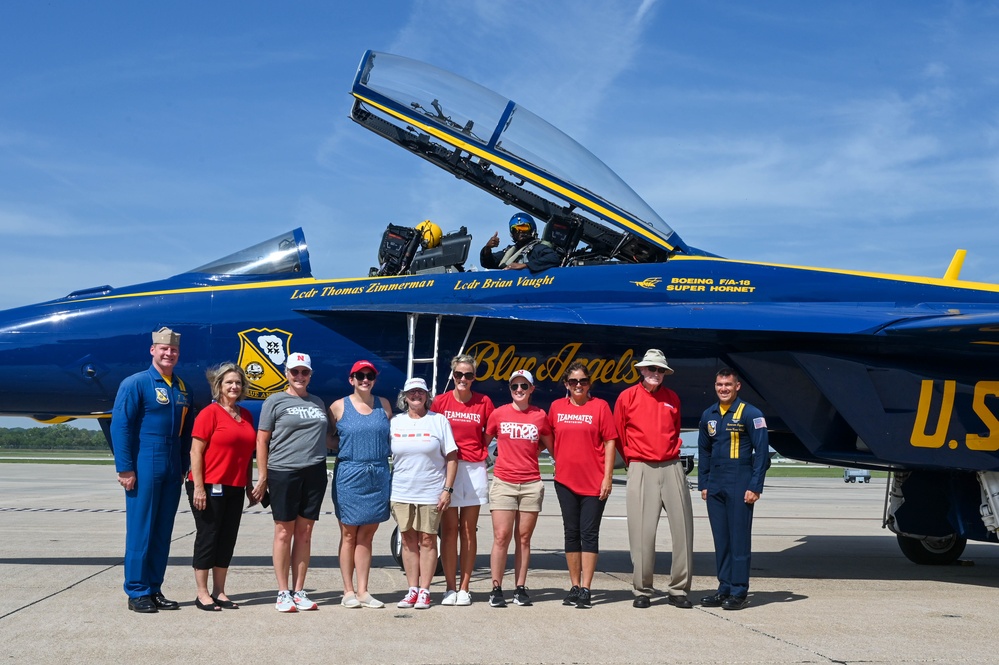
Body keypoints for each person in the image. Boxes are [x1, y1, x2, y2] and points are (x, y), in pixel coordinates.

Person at [111, 326, 195, 613]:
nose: (169, 353)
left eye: (173, 350)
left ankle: (155, 587)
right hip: (145, 460)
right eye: (164, 349)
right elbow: (120, 426)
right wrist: (125, 468)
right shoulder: (135, 383)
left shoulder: (183, 388)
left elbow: (186, 433)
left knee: (162, 530)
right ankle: (137, 591)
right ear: (152, 350)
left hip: (172, 464)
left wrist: (184, 465)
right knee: (141, 529)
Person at [613, 348, 694, 609]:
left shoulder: (673, 398)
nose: (656, 374)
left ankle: (679, 589)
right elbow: (620, 434)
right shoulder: (627, 397)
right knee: (642, 533)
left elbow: (675, 429)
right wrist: (635, 462)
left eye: (660, 370)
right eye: (652, 369)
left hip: (671, 466)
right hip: (641, 466)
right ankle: (642, 590)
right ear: (642, 370)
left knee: (683, 530)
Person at [251, 352, 329, 613]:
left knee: (305, 533)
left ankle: (299, 590)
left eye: (304, 372)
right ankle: (283, 592)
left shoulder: (318, 402)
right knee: (284, 531)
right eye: (294, 371)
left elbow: (328, 439)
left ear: (310, 375)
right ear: (286, 373)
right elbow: (262, 440)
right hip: (283, 471)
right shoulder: (275, 401)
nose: (299, 376)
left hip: (315, 472)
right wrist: (262, 476)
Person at [698, 368, 770, 611]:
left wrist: (755, 485)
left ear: (737, 386)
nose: (724, 389)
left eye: (728, 384)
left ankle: (739, 590)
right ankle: (724, 587)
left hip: (740, 478)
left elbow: (761, 453)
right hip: (715, 482)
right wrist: (704, 484)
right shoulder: (708, 414)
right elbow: (704, 451)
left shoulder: (751, 414)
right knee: (722, 539)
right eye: (720, 384)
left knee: (739, 538)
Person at [187, 363, 257, 611]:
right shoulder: (209, 413)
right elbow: (196, 451)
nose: (234, 386)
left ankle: (220, 591)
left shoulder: (246, 415)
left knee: (227, 538)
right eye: (229, 382)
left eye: (238, 382)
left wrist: (249, 484)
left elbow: (248, 455)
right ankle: (202, 592)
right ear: (219, 386)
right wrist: (198, 488)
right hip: (207, 484)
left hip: (235, 486)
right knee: (208, 536)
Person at [548, 361, 618, 609]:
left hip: (594, 482)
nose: (579, 385)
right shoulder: (556, 407)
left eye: (583, 381)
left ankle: (587, 588)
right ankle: (575, 586)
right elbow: (548, 436)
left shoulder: (600, 407)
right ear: (566, 384)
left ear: (590, 383)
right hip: (565, 481)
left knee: (589, 534)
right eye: (573, 381)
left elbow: (610, 442)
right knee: (571, 533)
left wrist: (607, 477)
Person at [485, 369, 554, 608]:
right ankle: (496, 588)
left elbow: (550, 445)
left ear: (531, 389)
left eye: (524, 386)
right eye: (515, 387)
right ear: (510, 389)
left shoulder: (540, 416)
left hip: (531, 483)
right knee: (501, 536)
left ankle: (520, 587)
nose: (519, 391)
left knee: (524, 538)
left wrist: (533, 453)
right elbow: (484, 443)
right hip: (504, 481)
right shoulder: (498, 414)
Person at [431, 354, 495, 606]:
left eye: (468, 375)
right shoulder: (441, 402)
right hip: (448, 469)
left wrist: (477, 452)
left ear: (474, 377)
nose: (463, 379)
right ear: (453, 375)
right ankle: (449, 587)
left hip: (474, 469)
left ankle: (465, 587)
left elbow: (489, 432)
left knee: (468, 530)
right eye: (459, 374)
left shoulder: (483, 401)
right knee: (448, 531)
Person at [328, 359, 393, 609]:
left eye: (370, 376)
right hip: (350, 474)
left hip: (377, 473)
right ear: (351, 379)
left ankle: (364, 590)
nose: (365, 379)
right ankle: (348, 591)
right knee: (348, 534)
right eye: (360, 375)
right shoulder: (337, 407)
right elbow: (329, 438)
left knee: (367, 535)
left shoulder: (384, 405)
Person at [390, 377, 458, 610]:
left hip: (430, 491)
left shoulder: (438, 421)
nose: (416, 396)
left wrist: (447, 490)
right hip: (401, 490)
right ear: (405, 396)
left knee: (428, 540)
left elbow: (451, 457)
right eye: (412, 392)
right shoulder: (395, 422)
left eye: (421, 392)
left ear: (427, 395)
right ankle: (412, 589)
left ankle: (425, 590)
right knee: (408, 540)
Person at [480, 212, 560, 273]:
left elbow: (553, 258)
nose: (520, 232)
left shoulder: (537, 248)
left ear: (532, 229)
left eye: (524, 227)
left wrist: (524, 266)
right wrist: (487, 248)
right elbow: (489, 263)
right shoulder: (510, 251)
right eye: (515, 229)